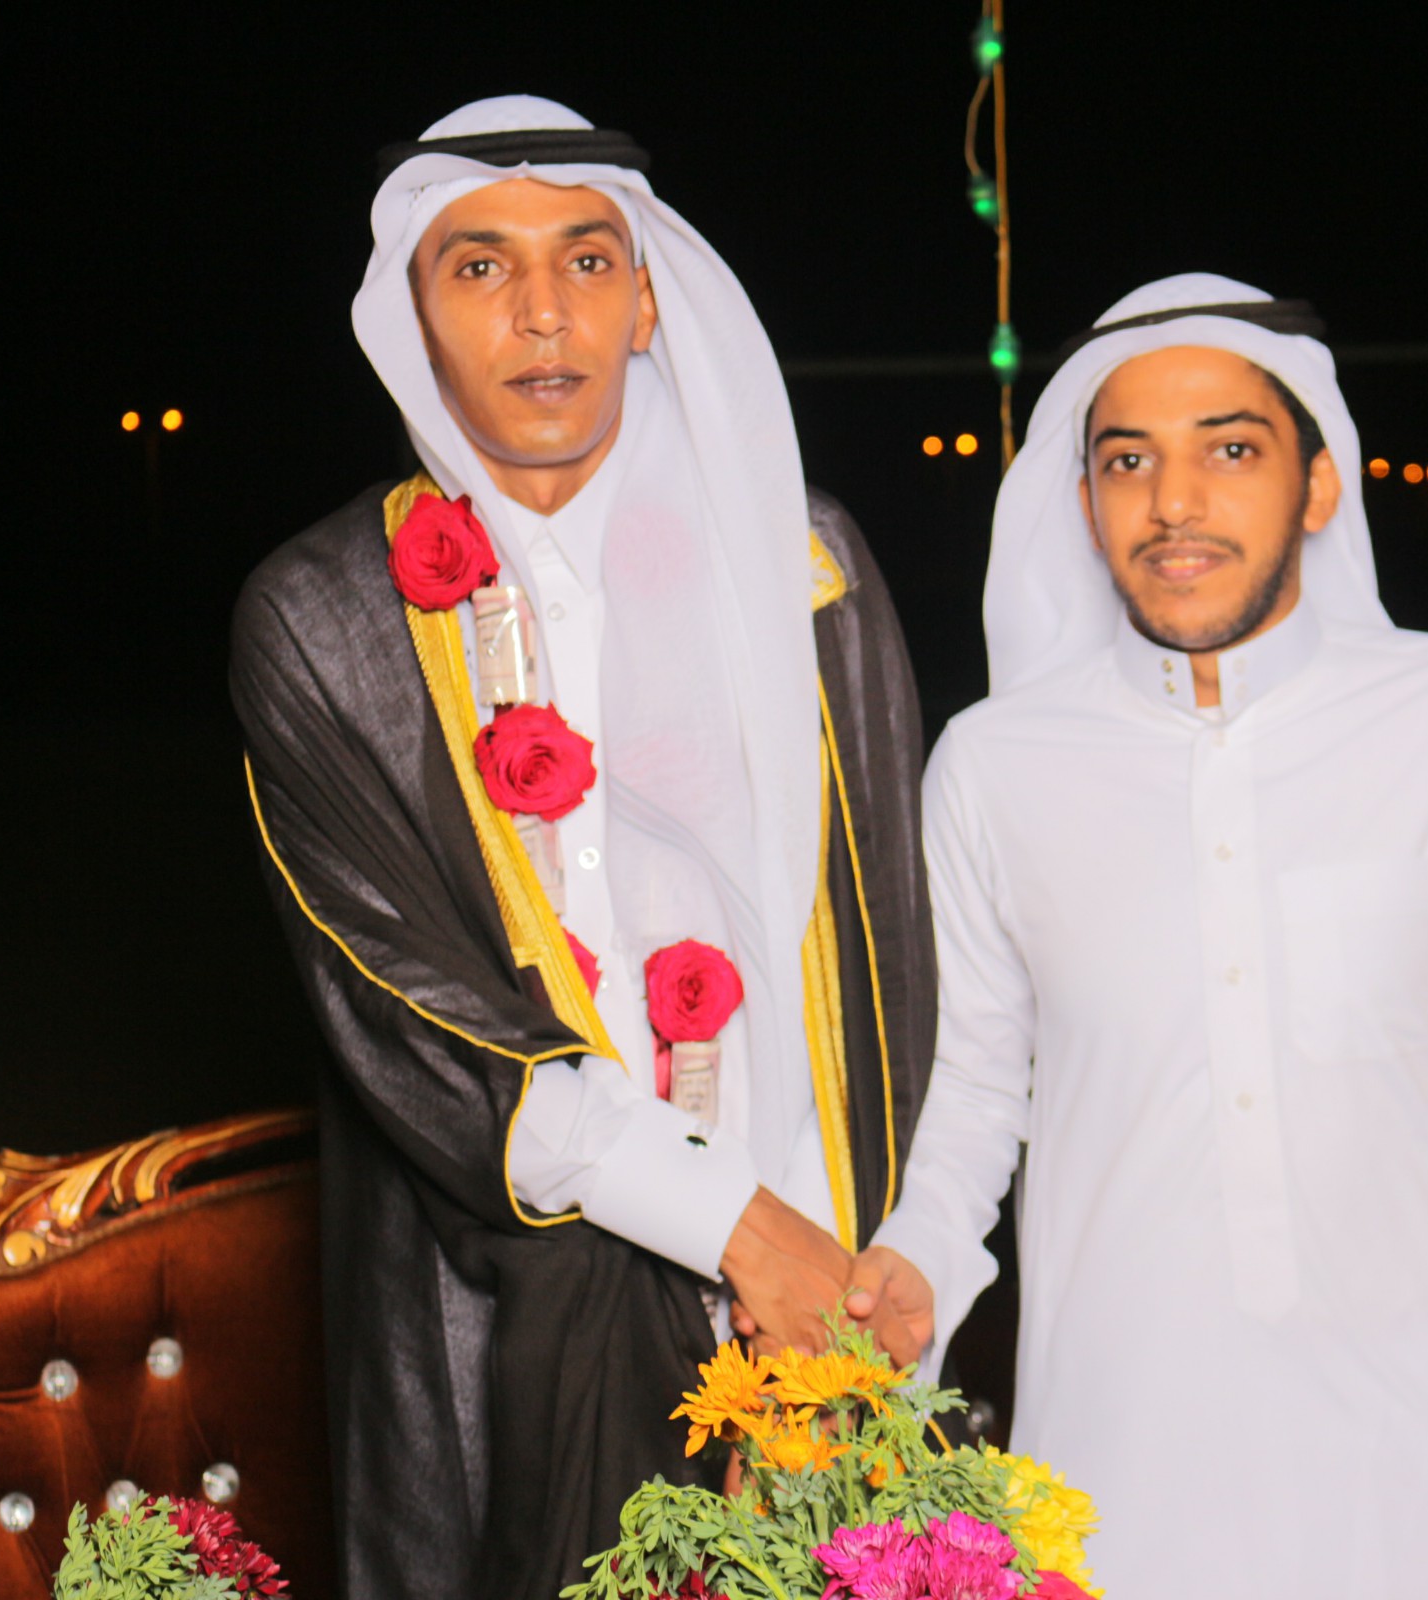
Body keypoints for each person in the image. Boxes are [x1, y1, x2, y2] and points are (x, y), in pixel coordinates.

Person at [847, 275, 1428, 1598]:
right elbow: (974, 1097)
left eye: (1230, 451)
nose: (1174, 503)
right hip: (1126, 1466)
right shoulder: (996, 767)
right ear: (1085, 504)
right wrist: (920, 1268)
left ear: (1319, 484)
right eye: (1129, 462)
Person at [230, 97, 934, 1600]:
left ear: (648, 300)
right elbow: (421, 1029)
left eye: (588, 260)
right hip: (497, 1319)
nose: (543, 311)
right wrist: (736, 1228)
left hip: (815, 1299)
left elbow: (885, 950)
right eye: (481, 266)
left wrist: (837, 1272)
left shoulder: (801, 568)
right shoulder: (324, 619)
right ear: (412, 312)